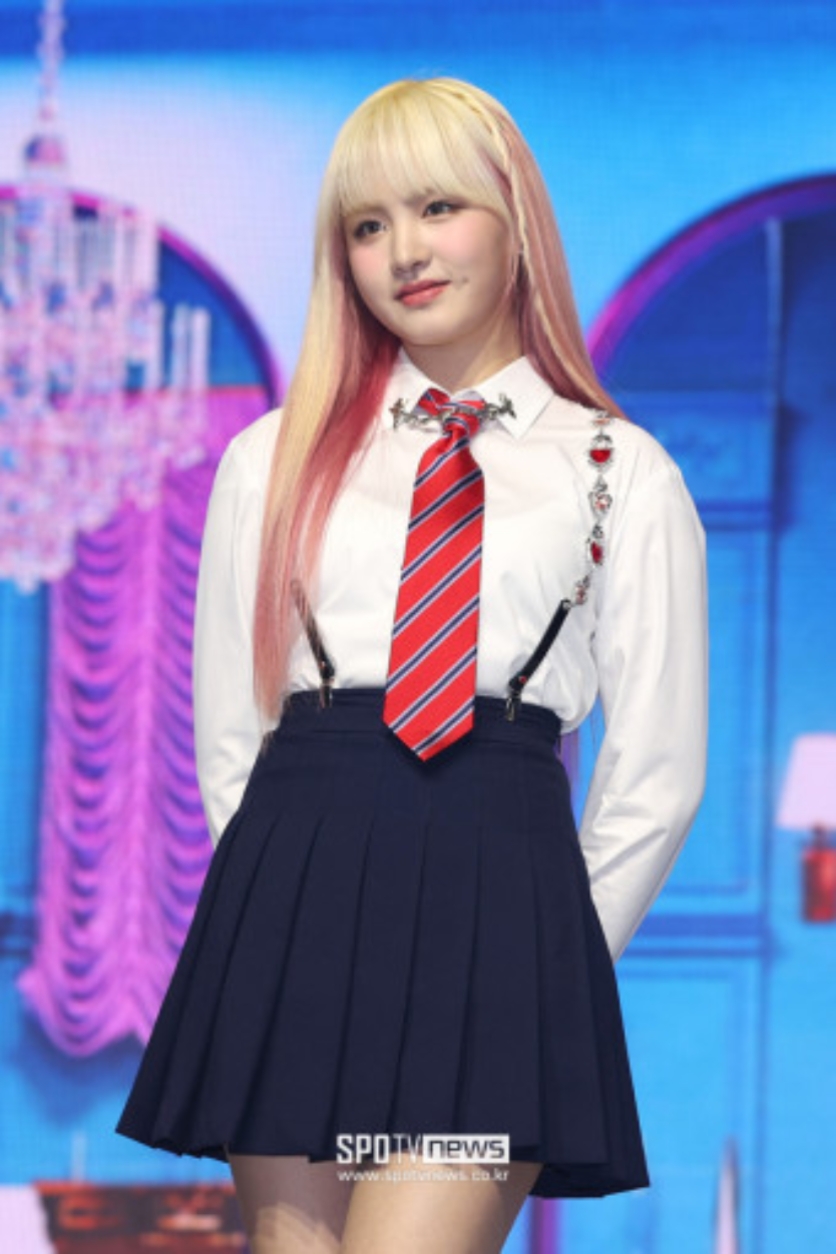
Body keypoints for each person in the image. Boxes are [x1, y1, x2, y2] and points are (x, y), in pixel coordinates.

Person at [116, 76, 708, 1254]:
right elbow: (232, 738)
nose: (404, 253)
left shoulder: (618, 470)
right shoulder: (268, 458)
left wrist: (550, 958)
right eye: (367, 224)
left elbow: (656, 772)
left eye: (437, 207)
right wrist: (271, 903)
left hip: (502, 916)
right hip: (290, 902)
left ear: (514, 219)